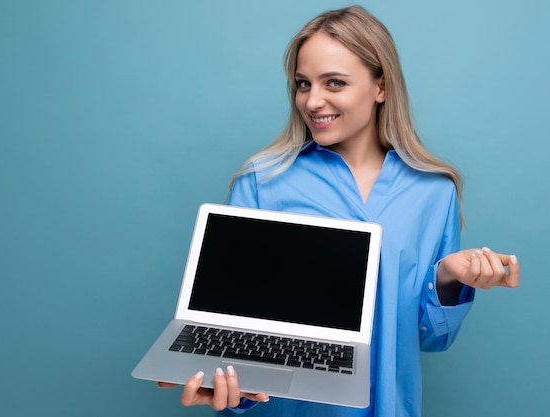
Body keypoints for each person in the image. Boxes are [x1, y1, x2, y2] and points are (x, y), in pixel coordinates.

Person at [157, 5, 520, 417]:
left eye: (334, 82)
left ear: (380, 86)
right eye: (302, 83)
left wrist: (448, 279)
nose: (313, 101)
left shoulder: (434, 191)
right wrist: (226, 390)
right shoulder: (263, 181)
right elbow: (233, 333)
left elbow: (430, 339)